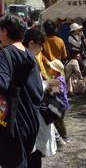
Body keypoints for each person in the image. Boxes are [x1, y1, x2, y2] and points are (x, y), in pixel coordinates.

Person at [0, 15, 43, 168]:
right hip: (31, 120)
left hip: (12, 121)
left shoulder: (6, 53)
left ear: (4, 31)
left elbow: (1, 83)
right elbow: (38, 91)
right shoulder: (29, 54)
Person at [22, 27, 57, 161]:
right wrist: (47, 84)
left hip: (30, 112)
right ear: (31, 43)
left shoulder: (26, 56)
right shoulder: (28, 58)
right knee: (34, 152)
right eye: (40, 45)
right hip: (32, 112)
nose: (41, 49)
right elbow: (34, 88)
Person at [47, 59, 70, 148]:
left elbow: (60, 90)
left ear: (54, 70)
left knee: (59, 120)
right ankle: (61, 135)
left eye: (50, 67)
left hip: (61, 104)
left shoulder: (59, 79)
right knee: (57, 120)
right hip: (58, 103)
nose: (49, 69)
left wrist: (50, 89)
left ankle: (65, 136)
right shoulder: (56, 78)